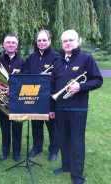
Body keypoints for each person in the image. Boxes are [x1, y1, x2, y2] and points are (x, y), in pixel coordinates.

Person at [50, 29, 103, 184]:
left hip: (78, 109)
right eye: (65, 41)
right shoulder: (57, 61)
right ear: (61, 43)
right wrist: (51, 108)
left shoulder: (86, 59)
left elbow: (98, 80)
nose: (68, 43)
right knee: (63, 139)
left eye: (71, 40)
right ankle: (65, 166)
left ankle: (77, 175)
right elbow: (53, 86)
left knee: (76, 142)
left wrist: (81, 86)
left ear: (78, 41)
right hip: (60, 107)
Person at [23, 29, 59, 161]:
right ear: (36, 42)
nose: (42, 42)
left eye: (44, 40)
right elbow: (26, 75)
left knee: (52, 126)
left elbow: (58, 80)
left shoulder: (56, 57)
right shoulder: (31, 58)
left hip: (50, 98)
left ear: (49, 41)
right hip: (35, 97)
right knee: (36, 125)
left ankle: (54, 150)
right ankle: (37, 147)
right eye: (39, 40)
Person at [0, 34, 23, 162]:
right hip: (2, 100)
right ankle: (5, 152)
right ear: (4, 44)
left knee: (17, 128)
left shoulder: (22, 62)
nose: (10, 45)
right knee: (4, 128)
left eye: (13, 43)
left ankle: (16, 153)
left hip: (17, 101)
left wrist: (14, 88)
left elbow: (26, 80)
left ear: (16, 46)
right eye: (8, 42)